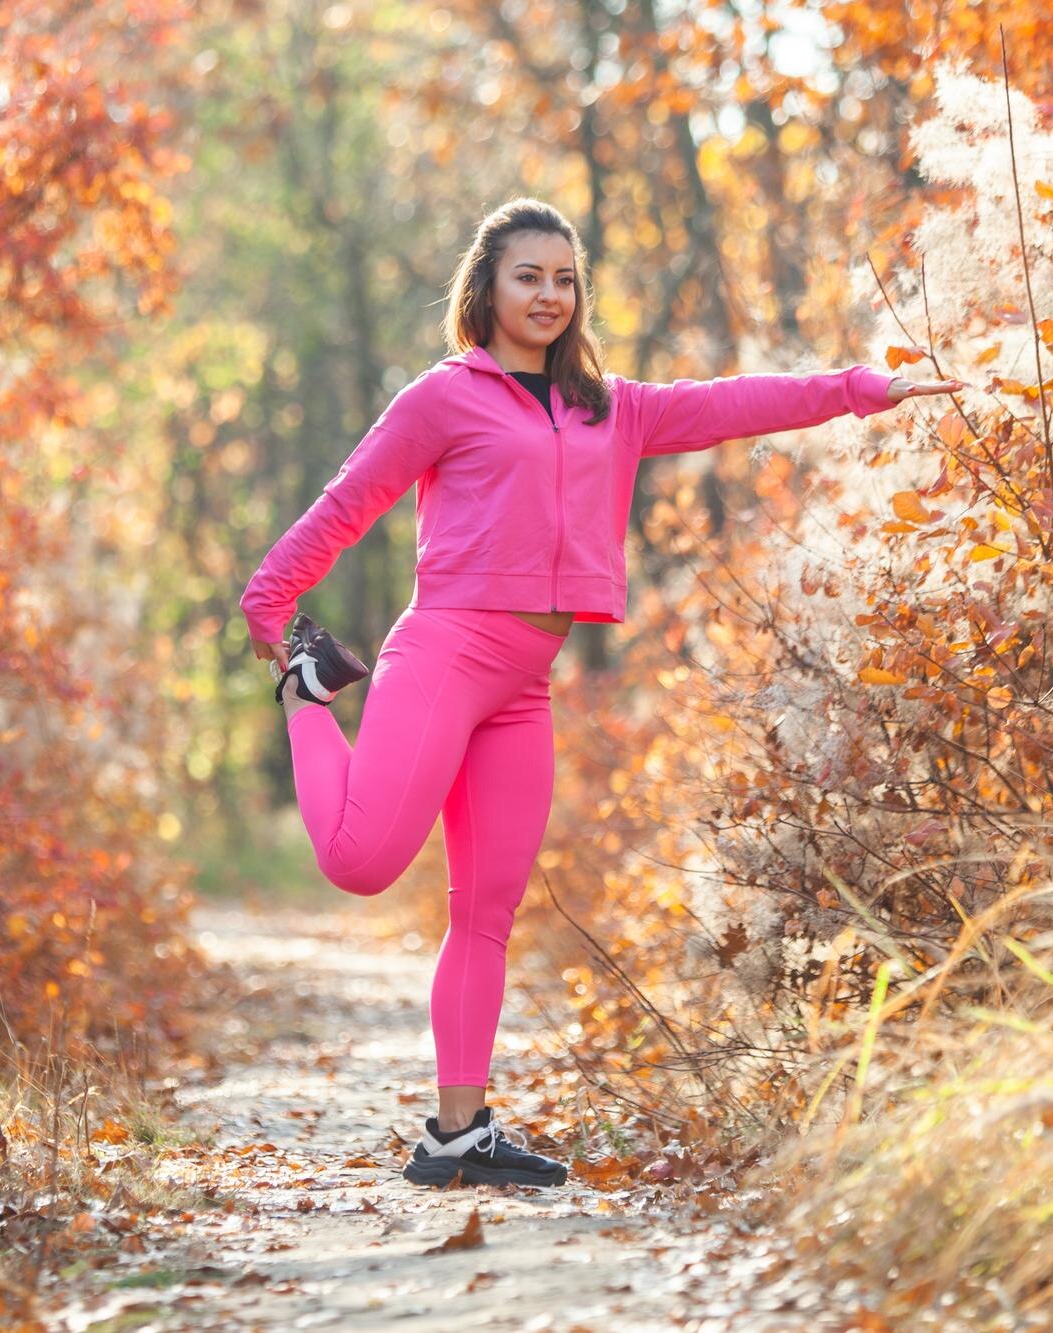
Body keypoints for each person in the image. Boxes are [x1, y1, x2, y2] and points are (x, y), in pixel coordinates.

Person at [239, 197, 963, 1189]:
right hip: (443, 655)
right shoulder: (441, 398)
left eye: (562, 278)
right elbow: (348, 499)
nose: (547, 293)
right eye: (527, 275)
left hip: (524, 686)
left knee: (485, 911)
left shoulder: (605, 406)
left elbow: (729, 405)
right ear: (485, 288)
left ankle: (458, 1135)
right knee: (362, 862)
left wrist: (858, 387)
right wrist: (269, 599)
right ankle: (309, 700)